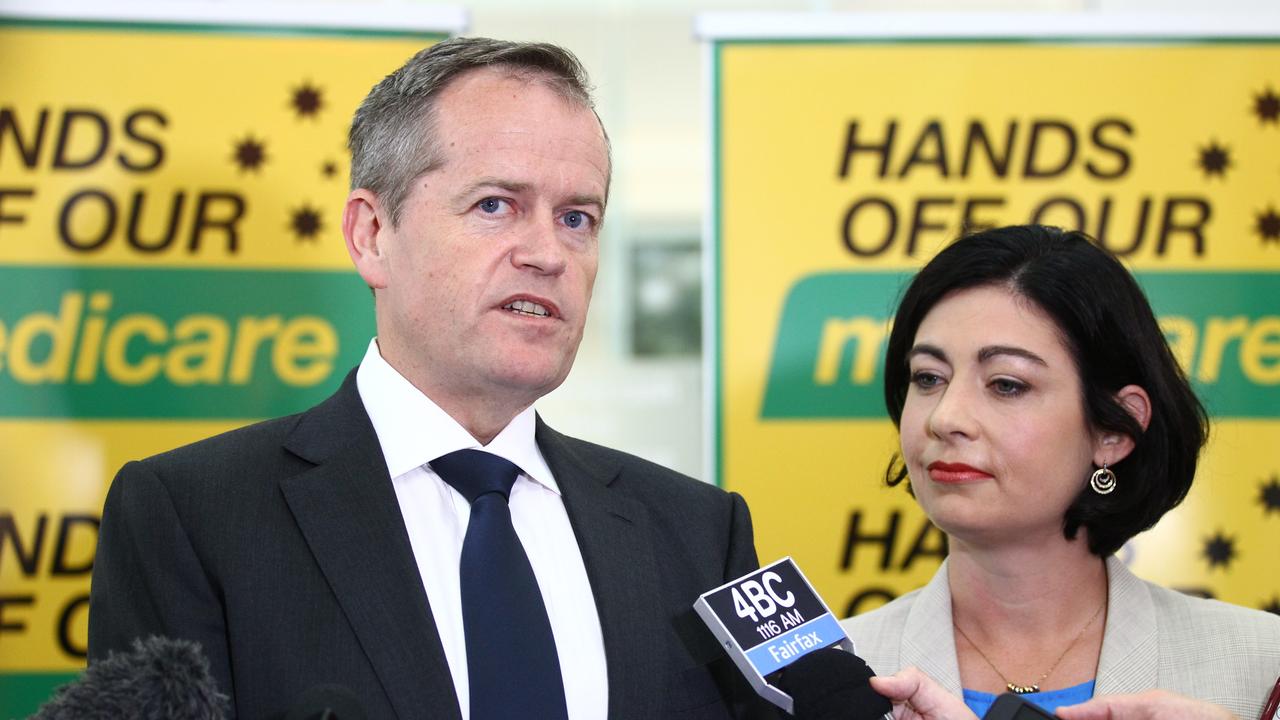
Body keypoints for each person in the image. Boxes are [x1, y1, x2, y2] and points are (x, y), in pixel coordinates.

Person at [88, 38, 773, 720]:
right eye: (496, 205)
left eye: (576, 219)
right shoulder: (192, 517)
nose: (547, 254)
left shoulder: (699, 533)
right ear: (372, 234)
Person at [840, 225, 1280, 720]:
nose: (946, 418)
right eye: (928, 378)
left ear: (1114, 430)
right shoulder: (836, 671)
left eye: (1006, 385)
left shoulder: (1262, 666)